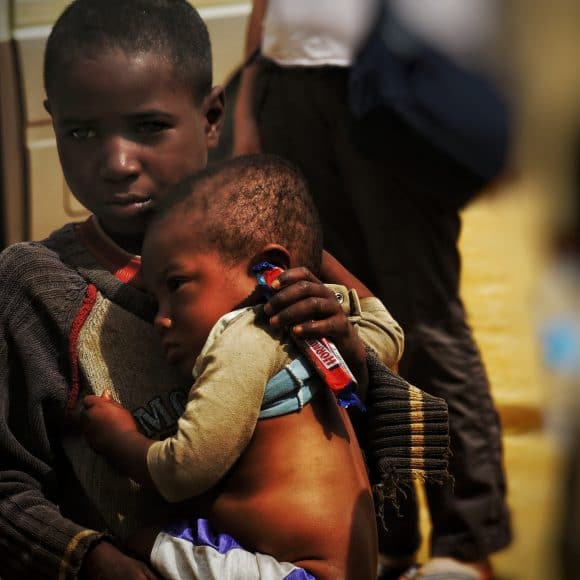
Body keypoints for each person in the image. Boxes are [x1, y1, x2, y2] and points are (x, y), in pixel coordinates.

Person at [0, 1, 405, 578]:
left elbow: (369, 414)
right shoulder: (34, 287)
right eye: (81, 131)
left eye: (149, 127)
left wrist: (345, 349)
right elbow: (8, 483)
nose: (117, 163)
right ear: (53, 123)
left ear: (212, 116)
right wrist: (92, 559)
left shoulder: (273, 246)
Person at [233, 1, 511, 578]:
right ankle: (389, 533)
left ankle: (465, 541)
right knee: (343, 323)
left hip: (393, 76)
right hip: (289, 84)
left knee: (424, 323)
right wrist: (250, 99)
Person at [80, 153, 379, 580]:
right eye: (155, 300)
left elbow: (184, 470)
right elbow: (387, 331)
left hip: (287, 573)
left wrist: (119, 438)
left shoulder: (242, 337)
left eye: (176, 286)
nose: (161, 318)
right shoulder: (318, 324)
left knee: (136, 541)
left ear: (268, 269)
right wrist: (316, 260)